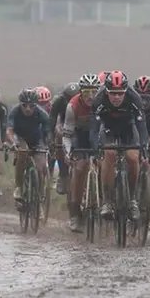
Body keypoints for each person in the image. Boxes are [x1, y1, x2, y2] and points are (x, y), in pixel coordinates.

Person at [90, 71, 147, 221]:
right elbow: (94, 128)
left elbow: (142, 126)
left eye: (120, 93)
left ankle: (133, 200)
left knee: (133, 158)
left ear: (126, 91)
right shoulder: (99, 99)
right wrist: (96, 147)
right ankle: (107, 201)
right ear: (106, 91)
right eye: (113, 94)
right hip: (108, 129)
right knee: (108, 155)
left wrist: (144, 145)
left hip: (129, 128)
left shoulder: (135, 98)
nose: (116, 97)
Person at [62, 73, 100, 232]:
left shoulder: (102, 103)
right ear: (80, 92)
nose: (90, 96)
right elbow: (67, 134)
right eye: (86, 93)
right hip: (79, 137)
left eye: (94, 92)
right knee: (80, 168)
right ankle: (75, 212)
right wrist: (68, 152)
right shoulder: (73, 105)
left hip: (97, 135)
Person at [6, 88, 51, 209]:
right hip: (20, 138)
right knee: (22, 153)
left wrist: (49, 144)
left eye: (31, 106)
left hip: (36, 139)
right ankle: (19, 187)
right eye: (24, 105)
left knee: (41, 167)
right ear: (20, 104)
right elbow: (9, 131)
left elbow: (48, 131)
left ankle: (40, 193)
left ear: (35, 105)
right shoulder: (14, 112)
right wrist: (13, 143)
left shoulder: (42, 113)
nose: (28, 109)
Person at [48, 82, 80, 195]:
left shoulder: (84, 100)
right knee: (60, 135)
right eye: (68, 98)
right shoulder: (59, 101)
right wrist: (50, 138)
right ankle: (63, 174)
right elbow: (52, 119)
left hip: (80, 124)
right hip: (64, 124)